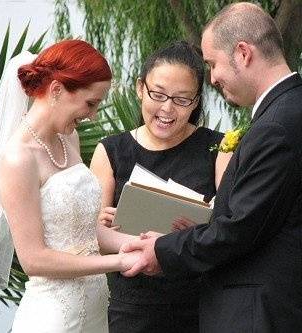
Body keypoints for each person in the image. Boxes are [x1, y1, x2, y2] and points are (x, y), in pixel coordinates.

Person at [121, 3, 302, 332]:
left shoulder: (278, 127)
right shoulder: (298, 111)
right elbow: (267, 221)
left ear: (242, 53)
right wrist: (199, 227)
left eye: (213, 64)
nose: (212, 78)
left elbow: (238, 230)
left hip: (268, 317)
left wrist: (163, 249)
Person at [0, 40, 140, 333]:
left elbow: (84, 230)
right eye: (90, 103)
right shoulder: (18, 158)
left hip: (95, 309)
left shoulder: (70, 139)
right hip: (53, 318)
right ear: (56, 90)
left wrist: (141, 246)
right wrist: (118, 261)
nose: (92, 115)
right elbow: (34, 260)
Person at [90, 41, 232, 332]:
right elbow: (94, 239)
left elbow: (232, 226)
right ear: (140, 88)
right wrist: (105, 226)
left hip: (201, 306)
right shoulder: (111, 151)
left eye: (182, 100)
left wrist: (194, 231)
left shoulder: (219, 149)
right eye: (158, 94)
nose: (167, 109)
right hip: (133, 308)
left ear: (195, 102)